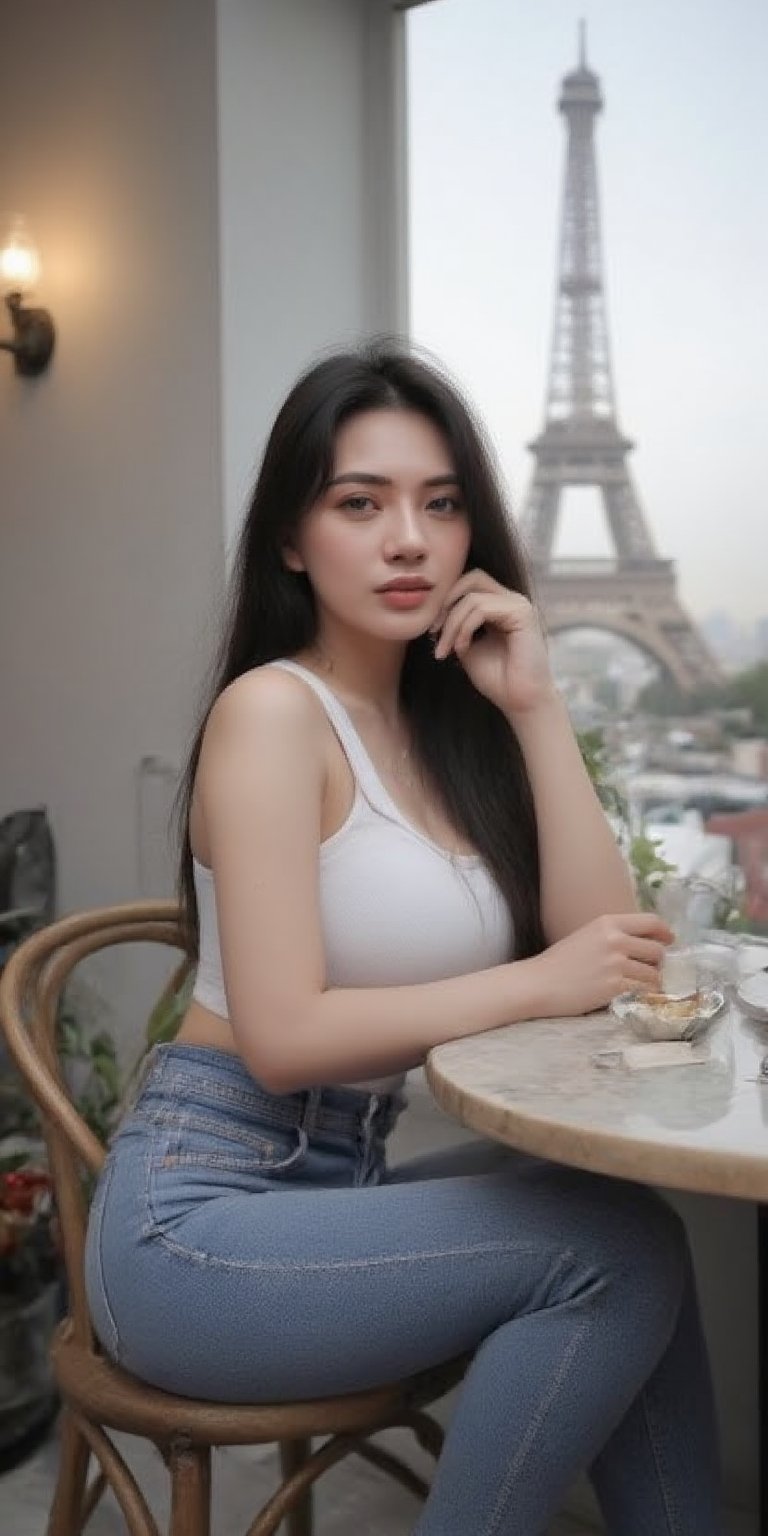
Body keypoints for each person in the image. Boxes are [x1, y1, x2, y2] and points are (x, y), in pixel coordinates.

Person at [85, 342, 723, 1535]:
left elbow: (604, 951)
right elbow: (280, 1039)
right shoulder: (275, 711)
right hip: (197, 1222)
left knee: (641, 1228)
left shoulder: (439, 729)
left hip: (341, 1179)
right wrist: (532, 981)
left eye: (439, 504)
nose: (408, 540)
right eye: (359, 503)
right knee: (617, 1253)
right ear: (291, 536)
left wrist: (534, 707)